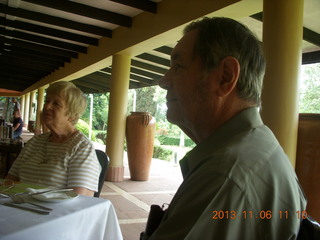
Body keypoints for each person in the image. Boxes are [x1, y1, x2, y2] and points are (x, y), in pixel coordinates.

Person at [145, 17, 307, 239]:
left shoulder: (222, 175)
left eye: (178, 66)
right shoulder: (261, 145)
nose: (164, 80)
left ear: (226, 77)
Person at [6, 81, 101, 197]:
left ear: (72, 115)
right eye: (47, 101)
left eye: (56, 104)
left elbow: (80, 200)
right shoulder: (35, 142)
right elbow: (10, 182)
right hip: (18, 207)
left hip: (53, 213)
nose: (47, 107)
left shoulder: (81, 147)